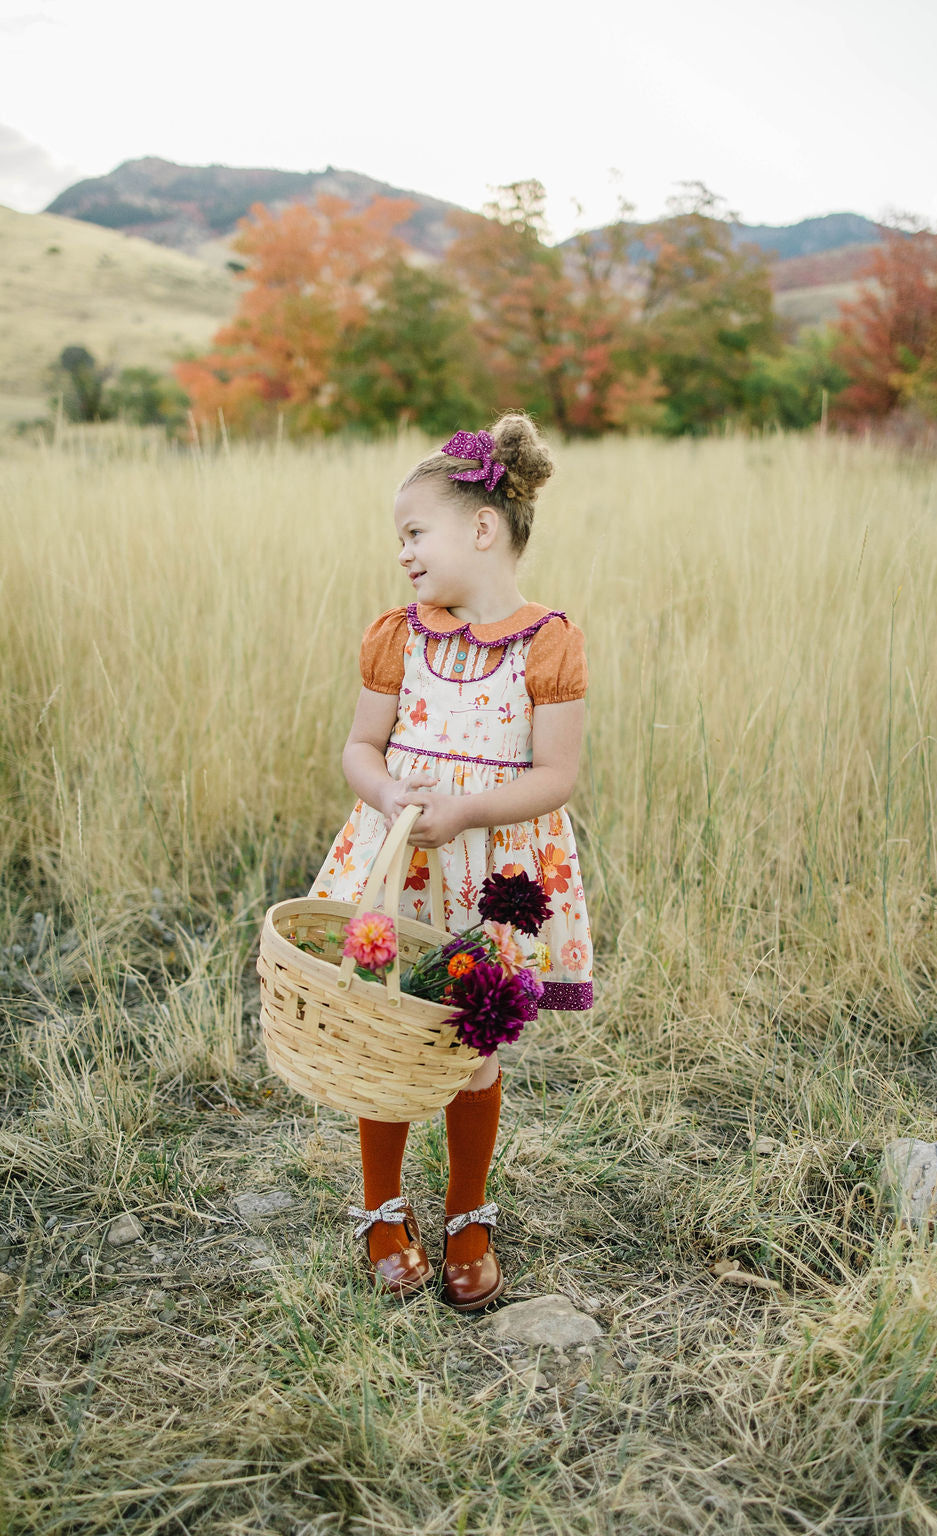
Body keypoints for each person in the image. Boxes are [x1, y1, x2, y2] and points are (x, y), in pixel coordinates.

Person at [310, 412, 592, 1310]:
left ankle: (468, 1209)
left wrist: (469, 807)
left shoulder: (548, 642)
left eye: (415, 532)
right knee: (390, 1034)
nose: (403, 553)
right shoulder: (398, 634)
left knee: (474, 1040)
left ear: (481, 528)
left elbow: (558, 775)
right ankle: (382, 1207)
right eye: (399, 538)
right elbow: (360, 746)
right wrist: (391, 795)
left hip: (496, 878)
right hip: (403, 867)